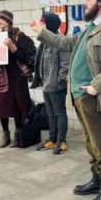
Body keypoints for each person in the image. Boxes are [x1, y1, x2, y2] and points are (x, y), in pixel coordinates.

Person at [30, 0, 101, 200]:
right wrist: (41, 31)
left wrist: (95, 86)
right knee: (90, 142)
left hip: (96, 97)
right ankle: (96, 180)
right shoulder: (87, 29)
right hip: (78, 97)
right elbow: (64, 43)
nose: (85, 3)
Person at [0, 10, 33, 148]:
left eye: (0, 18)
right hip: (3, 75)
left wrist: (13, 47)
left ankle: (18, 135)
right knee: (1, 106)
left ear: (8, 20)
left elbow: (26, 58)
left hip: (17, 76)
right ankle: (5, 134)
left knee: (17, 106)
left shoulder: (20, 36)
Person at [31, 13, 71, 154]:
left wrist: (59, 80)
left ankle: (62, 141)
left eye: (43, 22)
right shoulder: (44, 42)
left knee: (59, 113)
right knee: (50, 113)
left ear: (50, 24)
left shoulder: (61, 40)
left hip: (56, 85)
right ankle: (52, 139)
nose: (41, 25)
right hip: (46, 84)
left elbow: (66, 66)